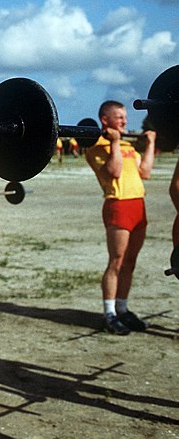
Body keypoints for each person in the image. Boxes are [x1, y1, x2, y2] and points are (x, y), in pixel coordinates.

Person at [85, 100, 155, 335]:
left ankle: (123, 308)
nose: (125, 122)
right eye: (120, 118)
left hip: (138, 204)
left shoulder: (127, 145)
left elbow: (145, 172)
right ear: (106, 120)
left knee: (130, 262)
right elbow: (113, 171)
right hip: (118, 205)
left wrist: (151, 144)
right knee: (116, 261)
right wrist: (114, 142)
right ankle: (110, 313)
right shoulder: (96, 148)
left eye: (125, 117)